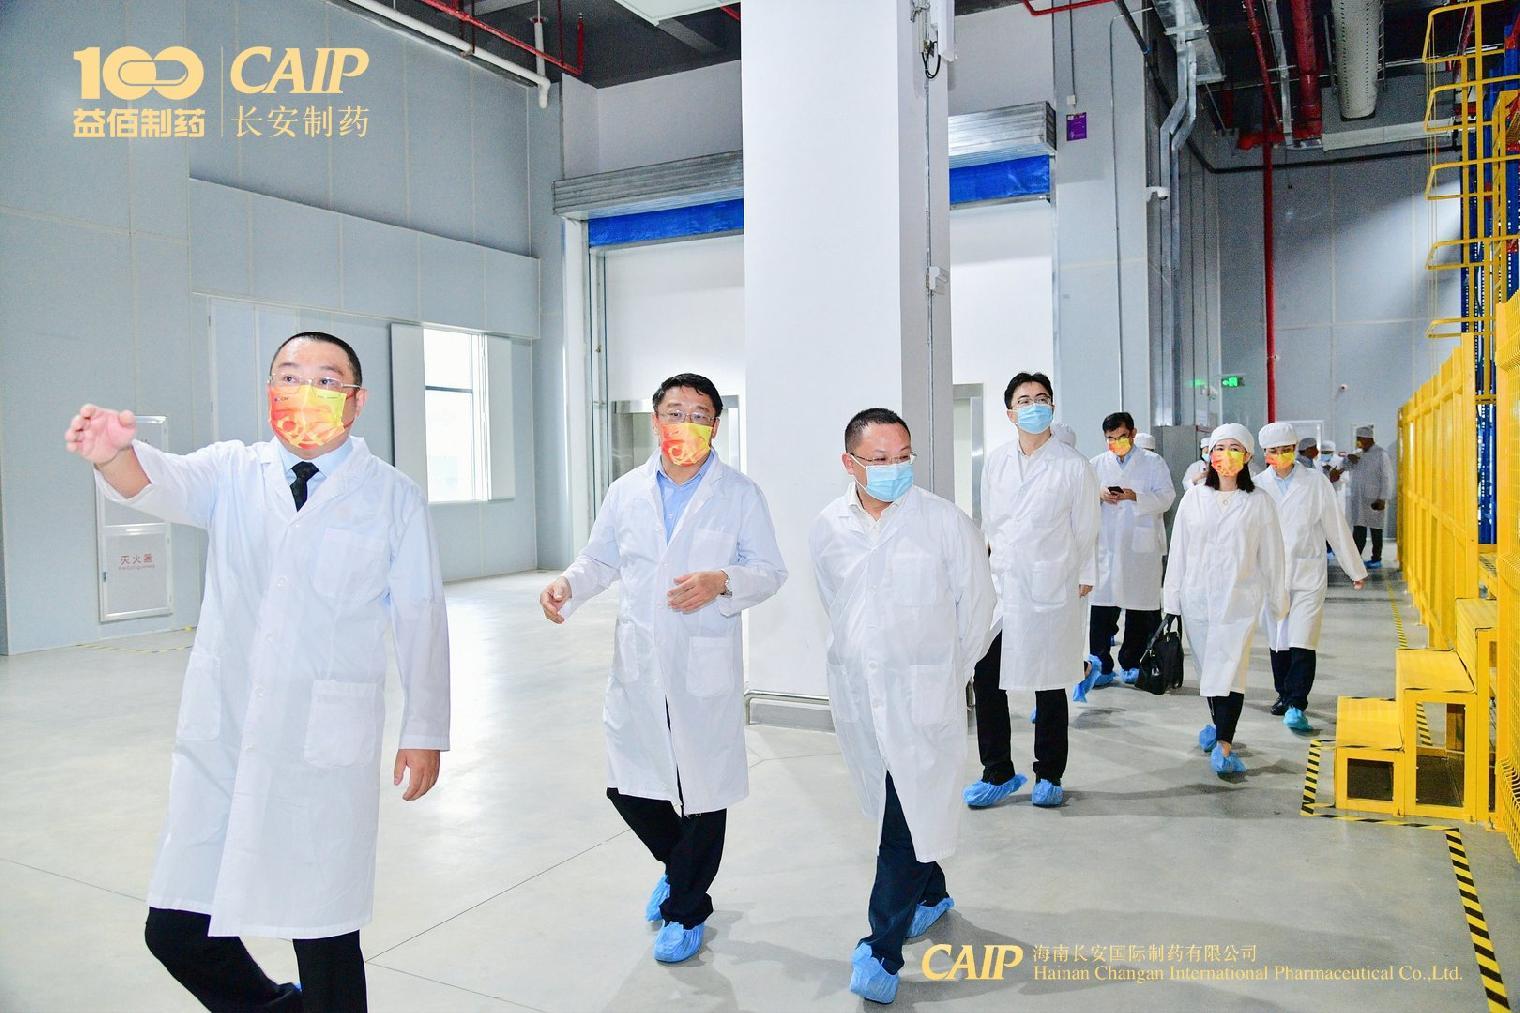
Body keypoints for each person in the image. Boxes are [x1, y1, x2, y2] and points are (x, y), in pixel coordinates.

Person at [66, 332, 450, 1012]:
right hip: (227, 736)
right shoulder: (232, 471)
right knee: (176, 931)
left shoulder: (393, 496)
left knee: (324, 935)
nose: (304, 391)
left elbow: (421, 614)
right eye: (289, 376)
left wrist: (424, 730)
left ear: (356, 401)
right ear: (270, 390)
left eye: (326, 380)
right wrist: (113, 455)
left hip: (320, 746)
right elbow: (157, 482)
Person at [538, 373, 786, 965]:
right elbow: (600, 558)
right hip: (640, 665)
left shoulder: (739, 493)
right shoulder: (626, 491)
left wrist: (722, 580)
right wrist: (568, 584)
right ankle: (681, 873)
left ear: (715, 426)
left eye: (700, 414)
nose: (686, 424)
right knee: (627, 786)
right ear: (655, 421)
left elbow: (769, 571)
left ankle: (686, 909)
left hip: (703, 660)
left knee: (702, 789)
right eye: (675, 412)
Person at [810, 408, 995, 1005]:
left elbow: (980, 611)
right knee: (907, 809)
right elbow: (839, 607)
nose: (896, 468)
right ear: (850, 463)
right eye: (880, 459)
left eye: (904, 456)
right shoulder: (828, 526)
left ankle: (881, 945)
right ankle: (931, 893)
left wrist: (944, 676)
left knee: (904, 818)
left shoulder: (945, 523)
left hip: (924, 699)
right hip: (863, 696)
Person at [963, 372, 1100, 810]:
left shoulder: (1073, 465)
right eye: (1024, 400)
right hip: (1002, 586)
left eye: (1042, 399)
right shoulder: (997, 462)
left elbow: (1087, 529)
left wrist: (1082, 572)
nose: (1034, 406)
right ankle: (998, 771)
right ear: (1010, 413)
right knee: (987, 675)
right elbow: (991, 523)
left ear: (1052, 408)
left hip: (1050, 585)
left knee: (1050, 682)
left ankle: (1050, 774)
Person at [1163, 423, 1287, 778]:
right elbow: (1179, 551)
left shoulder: (1260, 502)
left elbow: (1273, 557)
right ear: (1209, 455)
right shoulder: (1193, 498)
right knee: (1210, 671)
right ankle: (1218, 725)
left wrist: (1278, 600)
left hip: (1239, 601)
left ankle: (1224, 742)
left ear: (1247, 457)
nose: (1226, 456)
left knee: (1232, 671)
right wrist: (1171, 601)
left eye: (1234, 448)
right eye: (1220, 448)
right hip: (1197, 600)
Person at [1257, 423, 1367, 731]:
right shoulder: (1256, 485)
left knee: (1303, 639)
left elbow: (1335, 527)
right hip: (1272, 576)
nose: (1281, 456)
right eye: (1274, 451)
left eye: (1286, 450)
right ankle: (1283, 694)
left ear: (1294, 450)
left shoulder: (1315, 482)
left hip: (1308, 573)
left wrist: (1354, 569)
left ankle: (1297, 702)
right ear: (1265, 454)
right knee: (1279, 641)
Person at [1085, 411, 1176, 689]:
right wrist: (1099, 494)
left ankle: (1133, 662)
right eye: (1110, 439)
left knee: (1139, 610)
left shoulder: (1153, 463)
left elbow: (1167, 497)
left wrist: (1135, 495)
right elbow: (1081, 499)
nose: (1116, 443)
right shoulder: (1096, 464)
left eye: (1121, 437)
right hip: (1107, 546)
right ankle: (1100, 665)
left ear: (1133, 434)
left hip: (1139, 549)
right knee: (1102, 609)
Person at [1334, 424, 1394, 570]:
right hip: (1359, 498)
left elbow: (1387, 478)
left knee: (1376, 529)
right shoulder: (1358, 454)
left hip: (1374, 499)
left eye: (1360, 439)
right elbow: (1344, 467)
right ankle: (1356, 559)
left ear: (1368, 439)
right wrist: (1348, 459)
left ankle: (1376, 559)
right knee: (1359, 529)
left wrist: (1383, 498)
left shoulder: (1381, 454)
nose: (1358, 442)